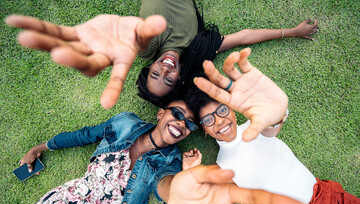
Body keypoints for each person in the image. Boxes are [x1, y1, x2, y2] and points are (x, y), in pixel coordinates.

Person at [18, 99, 318, 204]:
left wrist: (187, 177)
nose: (181, 123)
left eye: (188, 123)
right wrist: (38, 149)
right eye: (176, 114)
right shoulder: (124, 124)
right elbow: (83, 135)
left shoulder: (170, 161)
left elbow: (168, 187)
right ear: (161, 113)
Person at [178, 48, 360, 204]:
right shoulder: (224, 165)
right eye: (208, 120)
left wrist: (277, 113)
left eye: (222, 110)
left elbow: (271, 125)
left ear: (232, 110)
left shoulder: (254, 126)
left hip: (331, 200)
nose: (219, 121)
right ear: (205, 131)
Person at [5, 1, 318, 108]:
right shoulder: (199, 48)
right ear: (180, 77)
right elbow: (244, 37)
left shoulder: (148, 48)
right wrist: (292, 31)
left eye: (155, 73)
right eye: (168, 78)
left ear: (149, 65)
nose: (164, 69)